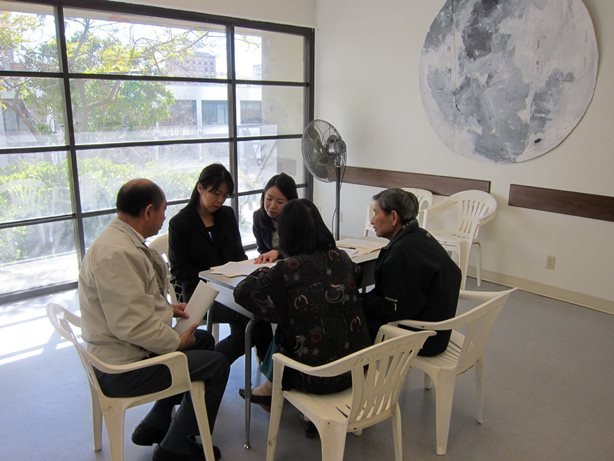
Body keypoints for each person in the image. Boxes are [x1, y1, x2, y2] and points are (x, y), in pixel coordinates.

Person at [79, 178, 229, 461]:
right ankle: (174, 447)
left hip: (123, 350)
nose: (164, 218)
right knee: (217, 365)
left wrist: (168, 310)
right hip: (122, 370)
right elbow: (130, 325)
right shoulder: (118, 254)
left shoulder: (119, 241)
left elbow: (132, 302)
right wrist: (176, 342)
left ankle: (157, 422)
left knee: (204, 340)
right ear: (148, 211)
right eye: (162, 211)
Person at [234, 199, 371, 437]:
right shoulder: (342, 258)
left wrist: (265, 272)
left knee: (287, 330)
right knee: (304, 325)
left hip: (316, 378)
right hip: (359, 369)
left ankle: (275, 393)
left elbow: (242, 293)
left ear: (286, 235)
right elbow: (356, 278)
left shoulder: (286, 269)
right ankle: (298, 410)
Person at [168, 164, 272, 365]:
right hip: (200, 294)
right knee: (254, 317)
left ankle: (211, 365)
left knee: (253, 321)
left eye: (225, 195)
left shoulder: (226, 215)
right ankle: (270, 372)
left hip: (232, 288)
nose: (220, 200)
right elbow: (180, 271)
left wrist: (244, 270)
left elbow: (238, 255)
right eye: (216, 193)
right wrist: (215, 274)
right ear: (200, 188)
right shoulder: (180, 223)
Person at [362, 188, 462, 356]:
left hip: (424, 338)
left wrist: (360, 301)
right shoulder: (420, 235)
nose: (372, 220)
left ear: (393, 217)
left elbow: (394, 308)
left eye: (375, 213)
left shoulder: (402, 253)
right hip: (439, 330)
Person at [252, 172, 298, 263]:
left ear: (291, 202)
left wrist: (278, 252)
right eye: (269, 199)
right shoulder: (258, 217)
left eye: (280, 202)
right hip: (272, 265)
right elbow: (262, 249)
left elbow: (297, 247)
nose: (272, 206)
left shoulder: (299, 217)